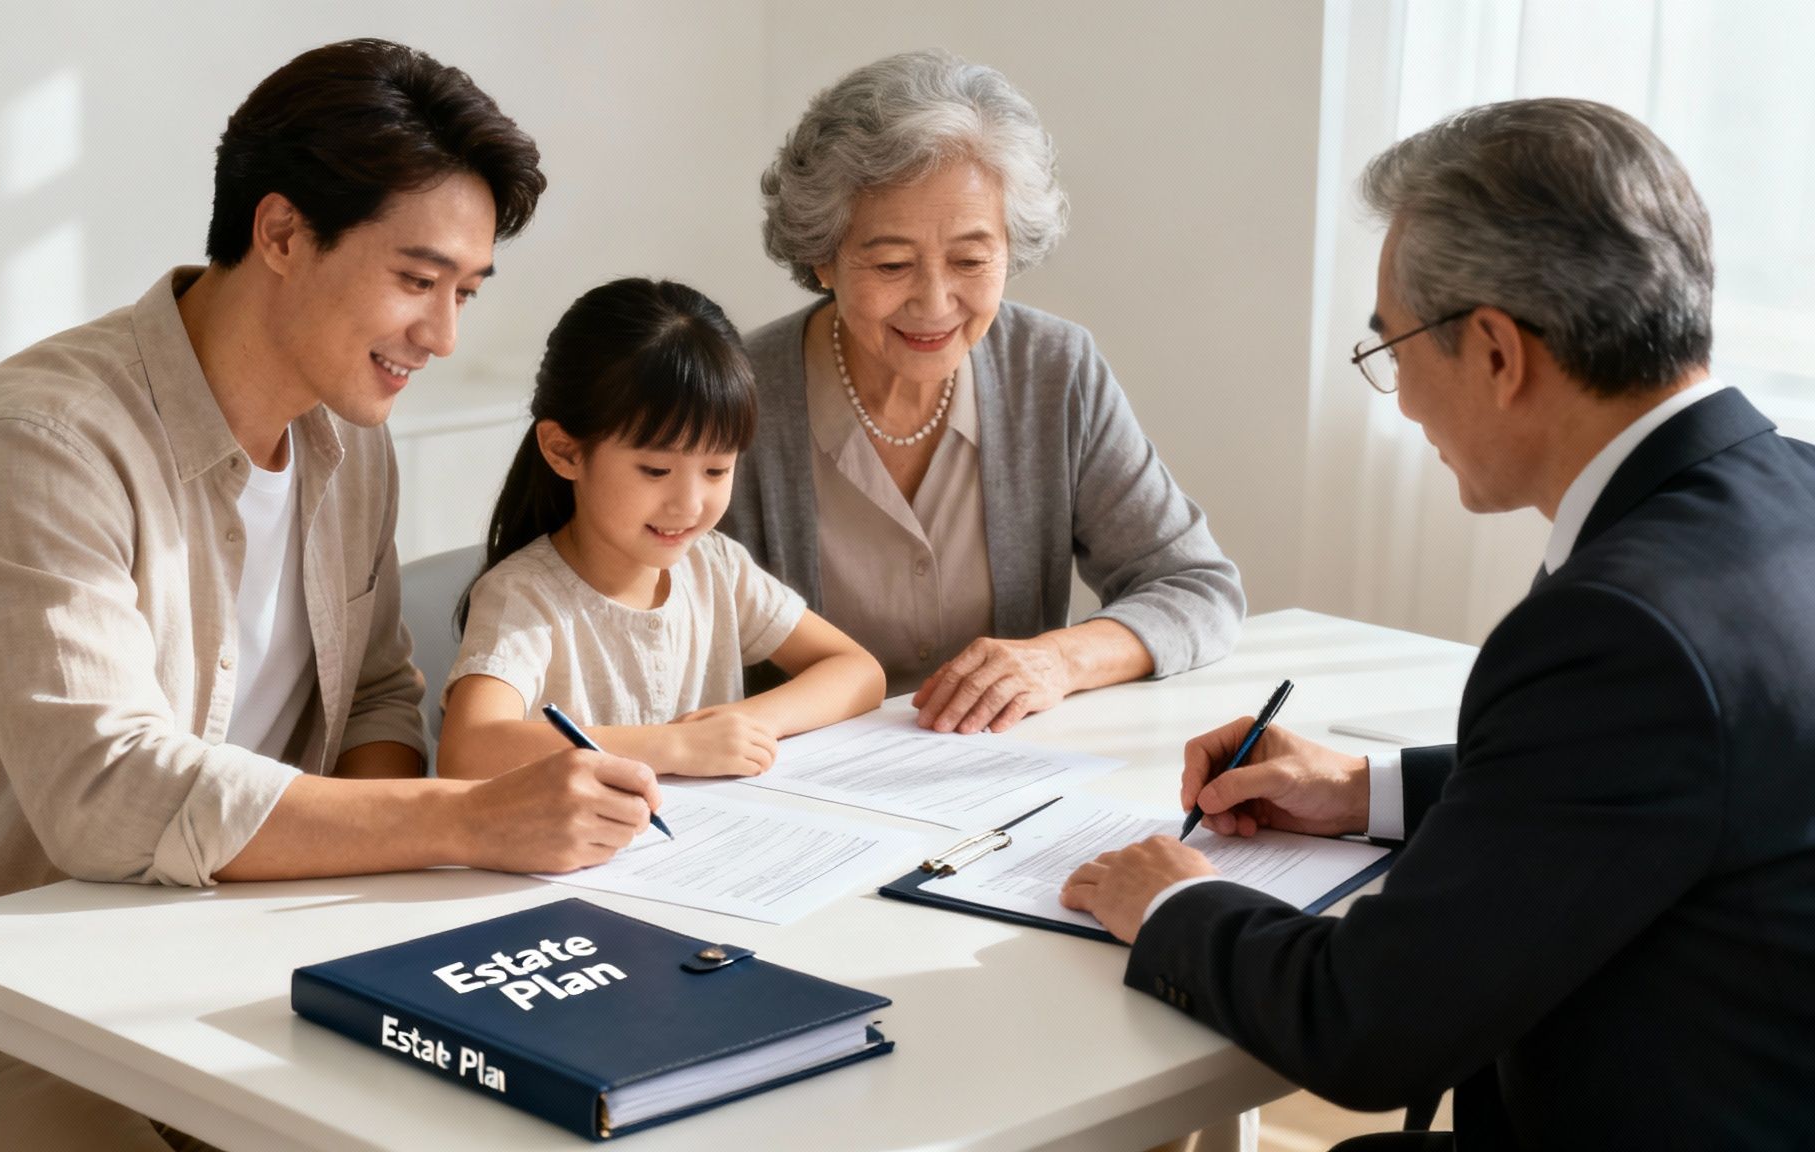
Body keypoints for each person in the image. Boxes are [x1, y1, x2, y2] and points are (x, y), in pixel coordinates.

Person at [0, 39, 666, 1151]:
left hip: (246, 951)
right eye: (416, 281)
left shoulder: (347, 441)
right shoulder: (41, 443)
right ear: (279, 233)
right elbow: (106, 790)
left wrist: (387, 887)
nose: (443, 336)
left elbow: (373, 691)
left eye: (463, 291)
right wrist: (457, 821)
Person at [1060, 98, 1815, 1150]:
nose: (1400, 397)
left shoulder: (1614, 631)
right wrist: (1357, 790)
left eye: (1393, 346)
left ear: (1498, 353)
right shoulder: (1789, 494)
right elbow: (1656, 786)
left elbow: (1367, 1029)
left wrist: (1173, 905)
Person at [722, 50, 1245, 736]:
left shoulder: (1053, 370)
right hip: (796, 793)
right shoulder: (738, 397)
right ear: (823, 257)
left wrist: (1060, 659)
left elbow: (1196, 586)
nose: (935, 302)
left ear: (1011, 248)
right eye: (891, 263)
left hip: (1008, 785)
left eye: (971, 260)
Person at [440, 278, 885, 779]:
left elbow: (859, 671)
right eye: (655, 471)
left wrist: (745, 721)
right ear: (564, 451)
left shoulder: (716, 567)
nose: (689, 505)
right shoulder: (525, 598)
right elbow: (467, 749)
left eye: (717, 471)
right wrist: (672, 746)